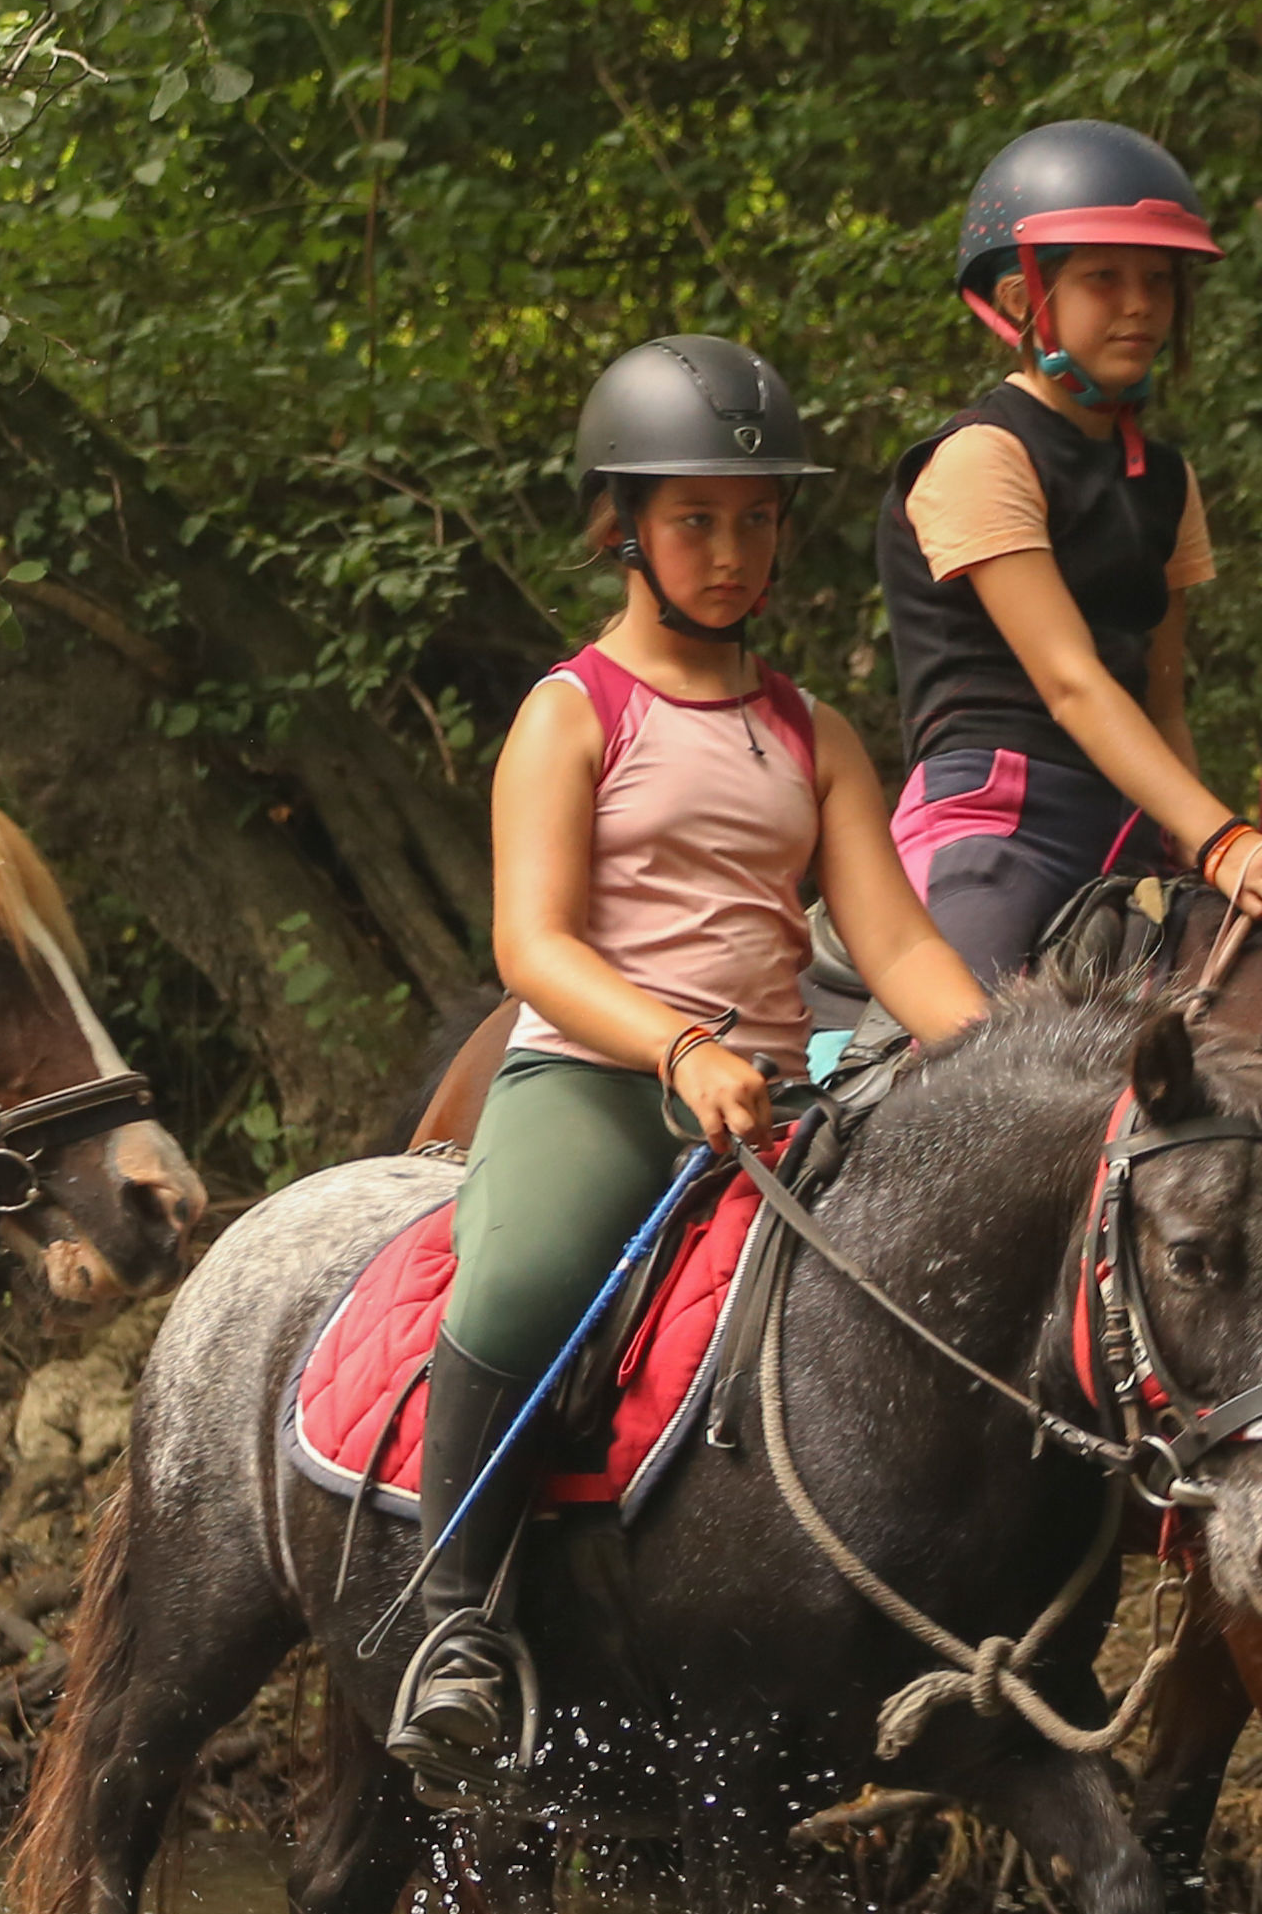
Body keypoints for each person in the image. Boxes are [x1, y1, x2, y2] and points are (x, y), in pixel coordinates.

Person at [390, 338, 994, 1789]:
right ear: (625, 528)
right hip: (600, 1079)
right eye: (696, 521)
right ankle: (451, 1620)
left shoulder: (812, 732)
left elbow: (894, 944)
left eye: (756, 521)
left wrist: (1008, 1060)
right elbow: (531, 944)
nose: (730, 554)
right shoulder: (573, 711)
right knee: (522, 1281)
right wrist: (677, 1046)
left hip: (775, 1094)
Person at [870, 121, 1262, 987]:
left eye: (1158, 279)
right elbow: (1071, 680)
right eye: (1104, 277)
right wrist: (1225, 839)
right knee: (970, 1043)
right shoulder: (981, 456)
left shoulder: (1167, 479)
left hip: (1132, 833)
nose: (1140, 304)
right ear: (1020, 297)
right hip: (997, 826)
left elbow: (1164, 704)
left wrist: (1191, 841)